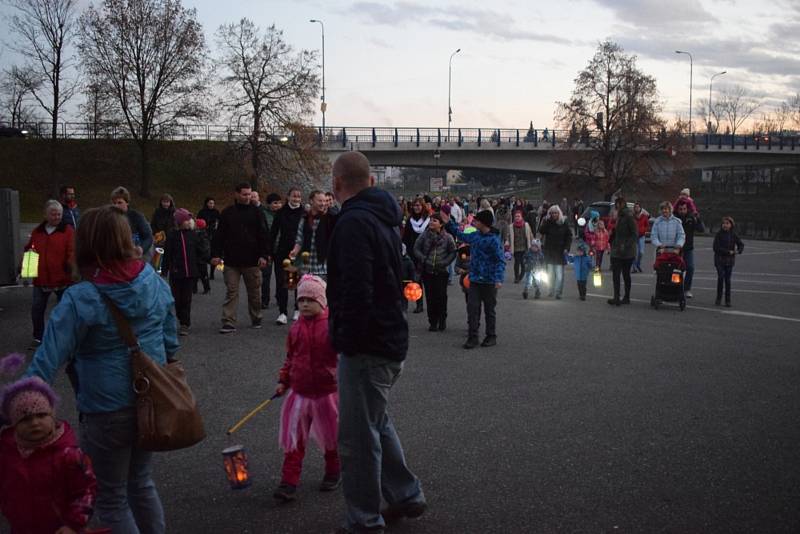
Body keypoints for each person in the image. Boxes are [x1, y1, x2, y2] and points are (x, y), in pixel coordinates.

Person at [25, 205, 177, 533]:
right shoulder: (151, 278)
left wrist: (21, 406)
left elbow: (47, 358)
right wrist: (168, 358)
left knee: (111, 497)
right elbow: (170, 332)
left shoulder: (82, 297)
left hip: (106, 407)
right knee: (141, 481)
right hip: (153, 399)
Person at [327, 151, 426, 534]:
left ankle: (364, 520)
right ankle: (406, 494)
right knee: (376, 422)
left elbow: (356, 289)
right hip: (388, 336)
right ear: (370, 181)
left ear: (336, 185)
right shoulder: (384, 218)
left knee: (356, 438)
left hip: (367, 344)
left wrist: (344, 340)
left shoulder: (353, 223)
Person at [0, 371, 97, 534]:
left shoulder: (69, 454)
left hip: (61, 529)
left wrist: (74, 524)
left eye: (41, 415)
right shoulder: (7, 451)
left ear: (52, 417)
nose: (35, 423)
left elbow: (86, 490)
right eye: (25, 419)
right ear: (14, 424)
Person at [272, 275, 341, 502]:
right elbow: (291, 358)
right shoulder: (295, 329)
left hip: (327, 393)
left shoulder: (332, 327)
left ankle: (333, 471)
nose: (304, 304)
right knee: (295, 440)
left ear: (322, 301)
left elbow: (341, 357)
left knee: (332, 438)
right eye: (301, 300)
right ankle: (288, 481)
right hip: (300, 393)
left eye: (310, 300)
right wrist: (284, 380)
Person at [211, 182, 270, 333]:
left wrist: (264, 255)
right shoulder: (227, 213)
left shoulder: (257, 213)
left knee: (254, 293)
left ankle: (256, 316)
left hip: (252, 260)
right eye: (244, 194)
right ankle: (228, 321)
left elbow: (263, 235)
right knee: (231, 291)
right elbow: (219, 236)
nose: (247, 197)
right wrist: (216, 255)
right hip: (231, 261)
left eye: (249, 194)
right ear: (236, 194)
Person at [442, 209, 505, 349]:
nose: (473, 221)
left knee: (489, 310)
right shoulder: (476, 235)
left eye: (476, 220)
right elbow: (461, 235)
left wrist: (499, 278)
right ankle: (473, 337)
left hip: (489, 280)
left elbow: (500, 260)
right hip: (475, 279)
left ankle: (491, 336)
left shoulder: (494, 240)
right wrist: (449, 223)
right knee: (472, 308)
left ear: (483, 223)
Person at [23, 200, 76, 349]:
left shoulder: (68, 231)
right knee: (37, 310)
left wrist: (71, 270)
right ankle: (38, 337)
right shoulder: (37, 232)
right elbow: (30, 252)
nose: (57, 216)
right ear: (45, 215)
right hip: (41, 280)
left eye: (59, 213)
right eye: (53, 214)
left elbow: (72, 252)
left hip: (63, 280)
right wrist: (27, 273)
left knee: (66, 312)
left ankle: (65, 339)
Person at [162, 209, 205, 336]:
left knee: (186, 299)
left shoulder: (193, 235)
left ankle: (185, 323)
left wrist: (205, 261)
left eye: (189, 220)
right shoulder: (172, 235)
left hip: (190, 272)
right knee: (177, 299)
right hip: (176, 272)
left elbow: (199, 252)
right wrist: (164, 270)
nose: (188, 222)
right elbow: (167, 253)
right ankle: (181, 317)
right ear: (179, 222)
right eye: (186, 220)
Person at [413, 213, 456, 332]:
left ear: (441, 224)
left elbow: (453, 252)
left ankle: (442, 319)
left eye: (435, 221)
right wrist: (423, 259)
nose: (431, 222)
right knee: (430, 297)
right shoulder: (424, 235)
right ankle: (433, 321)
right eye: (431, 220)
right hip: (427, 271)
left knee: (441, 297)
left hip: (441, 272)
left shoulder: (448, 237)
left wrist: (444, 262)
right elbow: (416, 248)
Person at [270, 187, 305, 325]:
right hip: (282, 252)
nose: (296, 199)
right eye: (294, 196)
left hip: (299, 252)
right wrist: (268, 252)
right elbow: (273, 233)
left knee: (297, 282)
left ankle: (298, 309)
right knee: (281, 282)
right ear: (288, 197)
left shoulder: (304, 213)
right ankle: (282, 312)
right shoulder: (280, 213)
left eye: (298, 197)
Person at [290, 190, 336, 281]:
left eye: (324, 201)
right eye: (320, 201)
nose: (323, 204)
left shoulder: (330, 219)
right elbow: (299, 239)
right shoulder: (305, 218)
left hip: (323, 268)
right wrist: (294, 251)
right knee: (303, 294)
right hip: (305, 267)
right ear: (311, 201)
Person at [607, 197, 638, 306]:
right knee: (615, 274)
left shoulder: (628, 217)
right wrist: (611, 239)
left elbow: (634, 234)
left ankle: (626, 297)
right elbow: (617, 232)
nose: (616, 207)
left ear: (621, 205)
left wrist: (626, 245)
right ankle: (616, 297)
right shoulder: (618, 217)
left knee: (626, 274)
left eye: (617, 204)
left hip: (627, 251)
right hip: (616, 249)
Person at [537, 205, 572, 299]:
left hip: (560, 251)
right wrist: (546, 221)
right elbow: (541, 231)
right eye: (552, 213)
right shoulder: (548, 223)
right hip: (549, 251)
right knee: (550, 274)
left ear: (559, 213)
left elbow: (569, 236)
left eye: (555, 213)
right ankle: (551, 290)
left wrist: (567, 248)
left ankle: (558, 292)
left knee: (559, 275)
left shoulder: (564, 223)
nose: (554, 214)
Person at [111, 186, 154, 261]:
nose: (116, 206)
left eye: (119, 202)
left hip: (136, 257)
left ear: (127, 202)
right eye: (114, 203)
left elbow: (148, 237)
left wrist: (141, 248)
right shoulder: (109, 218)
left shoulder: (137, 216)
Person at [402, 198, 430, 314]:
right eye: (415, 206)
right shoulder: (410, 221)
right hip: (412, 253)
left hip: (426, 254)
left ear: (423, 206)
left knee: (426, 281)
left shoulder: (428, 220)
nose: (417, 207)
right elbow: (406, 237)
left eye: (419, 205)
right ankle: (419, 304)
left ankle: (430, 304)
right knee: (415, 281)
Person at [675, 200, 704, 298]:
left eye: (684, 209)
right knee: (675, 268)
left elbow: (701, 229)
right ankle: (674, 288)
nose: (682, 211)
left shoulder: (691, 218)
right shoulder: (674, 218)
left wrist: (698, 218)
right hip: (676, 248)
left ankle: (687, 289)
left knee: (690, 268)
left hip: (688, 248)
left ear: (687, 209)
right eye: (680, 209)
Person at [713, 216, 744, 307]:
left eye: (727, 223)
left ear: (731, 225)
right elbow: (716, 248)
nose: (725, 225)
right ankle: (718, 298)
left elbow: (741, 244)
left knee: (728, 280)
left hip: (729, 261)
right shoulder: (719, 234)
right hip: (719, 260)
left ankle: (727, 300)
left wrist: (739, 250)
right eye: (724, 223)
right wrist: (727, 252)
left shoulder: (733, 235)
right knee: (721, 278)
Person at [250, 191, 273, 309]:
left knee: (266, 276)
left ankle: (265, 299)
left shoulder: (264, 211)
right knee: (254, 276)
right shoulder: (246, 210)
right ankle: (256, 299)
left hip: (267, 247)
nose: (252, 198)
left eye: (254, 196)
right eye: (251, 196)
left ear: (258, 198)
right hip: (253, 248)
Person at [260, 193, 283, 308]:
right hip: (267, 250)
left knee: (280, 276)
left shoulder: (284, 215)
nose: (278, 205)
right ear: (268, 205)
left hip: (280, 249)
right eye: (275, 203)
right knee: (266, 276)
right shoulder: (263, 215)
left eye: (279, 203)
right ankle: (265, 299)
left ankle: (280, 298)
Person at [506, 210, 533, 284]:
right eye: (516, 216)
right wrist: (507, 242)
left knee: (523, 264)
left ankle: (521, 276)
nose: (517, 218)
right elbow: (508, 236)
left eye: (518, 216)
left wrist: (533, 242)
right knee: (517, 262)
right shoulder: (511, 226)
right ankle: (516, 277)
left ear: (521, 217)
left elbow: (530, 235)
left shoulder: (526, 225)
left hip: (525, 247)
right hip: (516, 248)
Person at [197, 197, 220, 281]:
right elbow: (198, 222)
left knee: (213, 254)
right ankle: (202, 272)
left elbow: (219, 222)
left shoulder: (216, 212)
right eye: (210, 203)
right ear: (207, 203)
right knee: (203, 253)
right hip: (203, 234)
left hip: (214, 235)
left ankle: (212, 273)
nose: (211, 205)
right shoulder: (202, 212)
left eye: (213, 203)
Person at [632, 202, 650, 273]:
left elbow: (647, 226)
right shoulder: (632, 216)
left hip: (641, 236)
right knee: (634, 253)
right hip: (634, 236)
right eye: (635, 207)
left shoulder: (644, 216)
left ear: (640, 208)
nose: (637, 208)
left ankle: (638, 264)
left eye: (638, 207)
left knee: (641, 252)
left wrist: (643, 230)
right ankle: (634, 268)